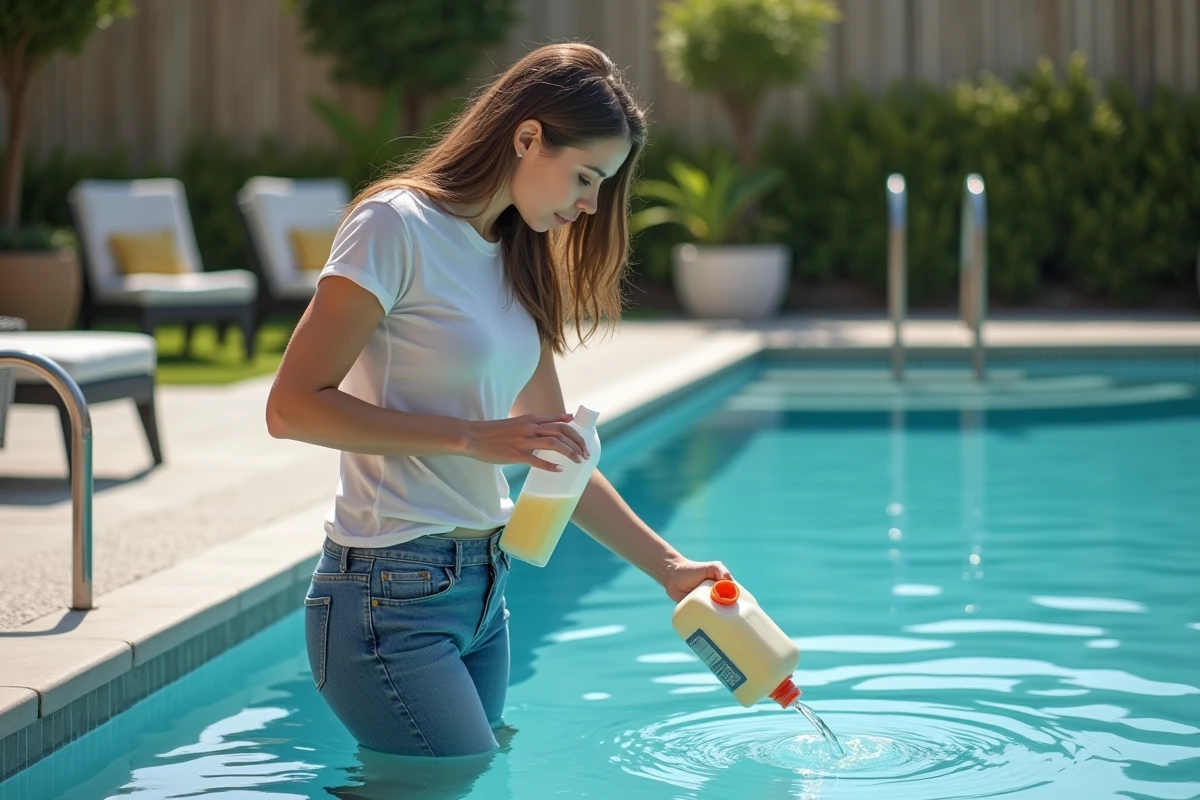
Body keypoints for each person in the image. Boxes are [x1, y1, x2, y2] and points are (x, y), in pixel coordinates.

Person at [265, 42, 733, 758]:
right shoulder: (395, 225)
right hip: (388, 590)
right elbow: (292, 407)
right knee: (453, 779)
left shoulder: (520, 255)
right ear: (527, 137)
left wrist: (670, 568)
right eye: (585, 176)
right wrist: (469, 437)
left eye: (603, 184)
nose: (591, 204)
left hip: (483, 594)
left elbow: (558, 458)